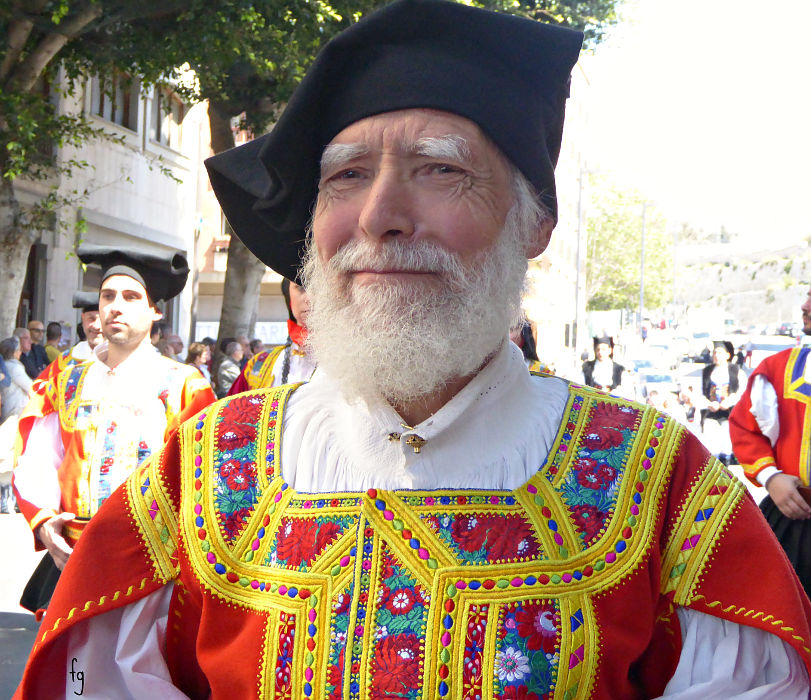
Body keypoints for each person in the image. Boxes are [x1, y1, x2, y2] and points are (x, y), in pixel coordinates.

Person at [16, 2, 811, 697]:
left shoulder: (658, 481)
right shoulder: (203, 468)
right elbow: (89, 679)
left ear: (533, 221)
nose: (379, 217)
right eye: (347, 176)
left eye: (440, 170)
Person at [12, 246, 216, 614]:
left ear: (154, 311)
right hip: (73, 559)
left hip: (153, 569)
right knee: (74, 671)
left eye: (131, 296)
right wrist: (44, 522)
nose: (115, 306)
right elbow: (37, 457)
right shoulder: (65, 380)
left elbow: (203, 482)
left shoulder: (185, 385)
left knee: (137, 670)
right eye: (108, 296)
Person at [730, 286, 811, 599]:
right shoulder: (776, 369)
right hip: (790, 517)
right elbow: (744, 428)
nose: (805, 305)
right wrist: (771, 477)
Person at [228, 278, 316, 394]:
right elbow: (232, 409)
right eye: (301, 287)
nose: (309, 298)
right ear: (288, 296)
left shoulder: (347, 362)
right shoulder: (258, 366)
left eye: (319, 287)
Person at [31, 292, 103, 396]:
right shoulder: (66, 360)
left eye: (101, 319)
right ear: (83, 319)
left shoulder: (125, 359)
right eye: (91, 319)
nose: (96, 326)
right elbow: (38, 394)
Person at [698, 340, 743, 465]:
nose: (716, 355)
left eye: (719, 352)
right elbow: (700, 392)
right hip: (711, 414)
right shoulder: (706, 371)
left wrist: (729, 401)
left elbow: (742, 392)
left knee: (726, 447)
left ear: (728, 355)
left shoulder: (736, 371)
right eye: (714, 352)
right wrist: (709, 403)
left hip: (728, 414)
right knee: (711, 448)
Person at [0, 336, 33, 422]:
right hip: (15, 409)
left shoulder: (5, 365)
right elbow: (30, 386)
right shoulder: (14, 367)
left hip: (8, 406)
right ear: (14, 352)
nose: (20, 352)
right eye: (19, 350)